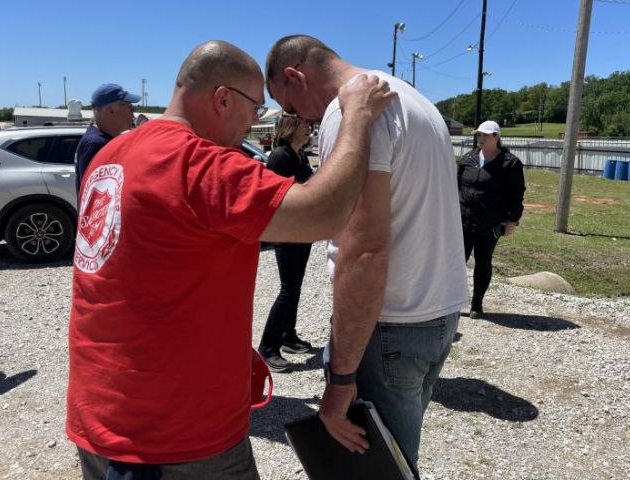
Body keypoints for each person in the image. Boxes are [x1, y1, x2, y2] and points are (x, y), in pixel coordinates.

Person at [67, 40, 396, 479]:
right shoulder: (197, 163)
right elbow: (323, 213)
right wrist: (356, 116)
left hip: (101, 413)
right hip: (175, 434)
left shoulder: (110, 156)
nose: (254, 121)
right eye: (255, 107)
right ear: (222, 98)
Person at [265, 35, 468, 470]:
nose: (301, 119)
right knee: (394, 456)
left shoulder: (351, 110)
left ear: (294, 76)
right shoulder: (412, 99)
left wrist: (340, 381)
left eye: (291, 107)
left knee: (373, 468)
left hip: (390, 325)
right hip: (436, 313)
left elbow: (363, 249)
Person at [258, 115, 315, 372]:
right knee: (287, 290)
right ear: (291, 127)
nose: (309, 127)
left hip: (301, 232)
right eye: (304, 124)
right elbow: (277, 196)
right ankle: (267, 348)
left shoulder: (300, 155)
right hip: (287, 233)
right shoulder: (280, 157)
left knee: (295, 287)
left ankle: (287, 335)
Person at [457, 120, 526, 319]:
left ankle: (477, 303)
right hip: (463, 220)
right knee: (456, 261)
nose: (481, 139)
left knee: (483, 261)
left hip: (490, 222)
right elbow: (457, 186)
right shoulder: (468, 158)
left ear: (496, 137)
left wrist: (512, 220)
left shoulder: (510, 163)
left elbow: (516, 193)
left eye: (485, 136)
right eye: (479, 135)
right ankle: (450, 302)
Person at [74, 83, 140, 192]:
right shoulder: (95, 144)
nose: (133, 112)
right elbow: (95, 195)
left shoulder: (100, 140)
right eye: (129, 106)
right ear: (110, 110)